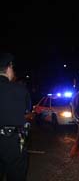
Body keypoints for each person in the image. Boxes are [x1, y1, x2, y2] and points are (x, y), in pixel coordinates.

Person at [0, 52, 31, 181]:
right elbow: (27, 110)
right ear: (9, 68)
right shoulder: (19, 90)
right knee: (16, 174)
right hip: (12, 142)